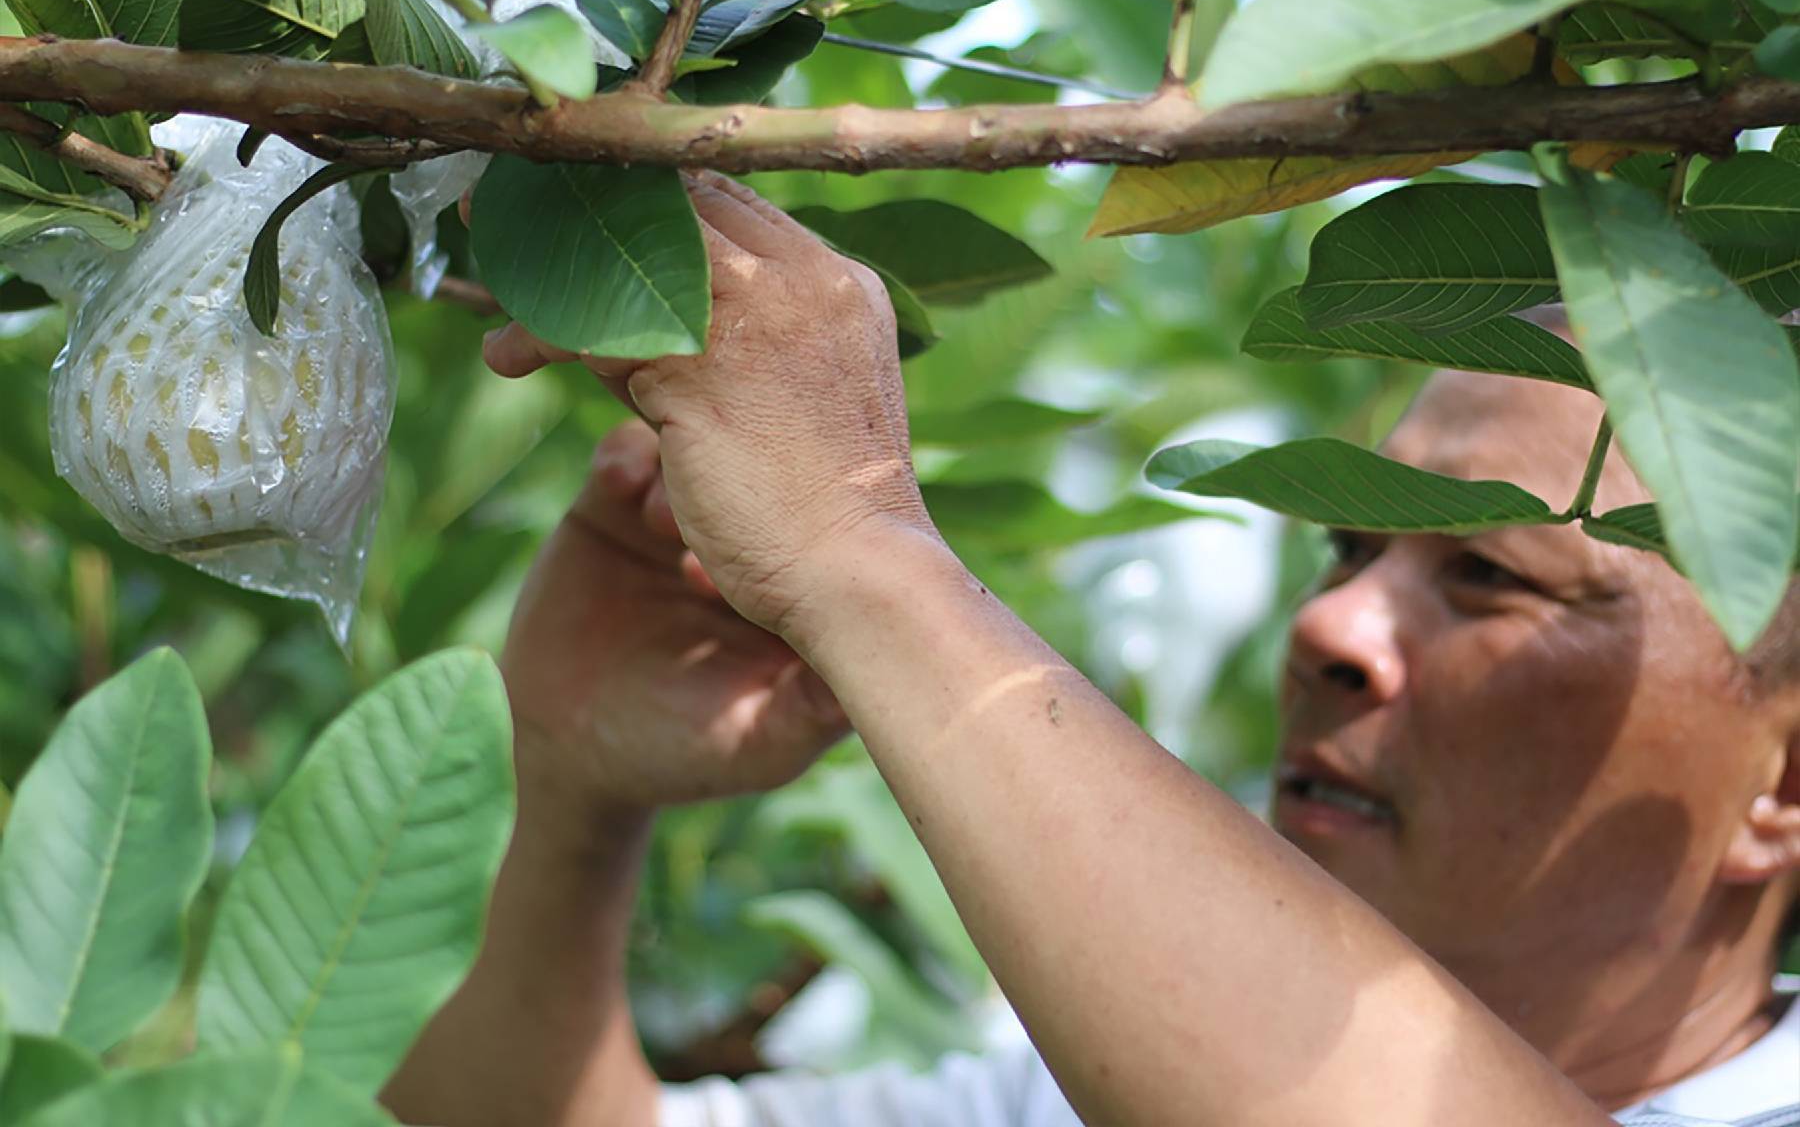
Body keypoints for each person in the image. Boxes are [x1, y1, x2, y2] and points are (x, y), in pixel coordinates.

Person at [382, 173, 1800, 1127]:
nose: (1329, 628)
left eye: (1495, 570)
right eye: (1354, 542)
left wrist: (860, 549)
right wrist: (557, 778)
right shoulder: (1056, 1089)